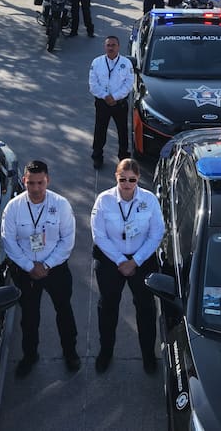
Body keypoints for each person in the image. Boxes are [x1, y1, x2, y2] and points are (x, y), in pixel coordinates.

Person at [1, 160, 80, 377]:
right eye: (31, 183)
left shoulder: (61, 205)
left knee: (64, 311)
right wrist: (29, 267)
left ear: (48, 181)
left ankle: (70, 353)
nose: (36, 189)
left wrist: (45, 265)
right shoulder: (13, 208)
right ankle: (29, 356)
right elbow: (9, 242)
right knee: (29, 316)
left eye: (40, 183)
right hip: (25, 271)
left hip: (55, 269)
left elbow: (67, 241)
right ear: (24, 181)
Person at [90, 159, 165, 374]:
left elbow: (156, 233)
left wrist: (135, 261)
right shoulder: (104, 200)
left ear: (138, 179)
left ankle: (148, 356)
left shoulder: (149, 200)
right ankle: (105, 353)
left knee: (146, 309)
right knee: (108, 307)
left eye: (132, 179)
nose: (127, 184)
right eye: (123, 179)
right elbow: (99, 235)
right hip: (111, 260)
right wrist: (120, 261)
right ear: (116, 176)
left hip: (141, 260)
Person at [88, 35, 133, 169]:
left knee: (122, 131)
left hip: (120, 104)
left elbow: (129, 84)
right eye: (108, 45)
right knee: (100, 131)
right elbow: (93, 84)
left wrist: (115, 97)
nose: (110, 48)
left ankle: (123, 157)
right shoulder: (97, 62)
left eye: (113, 45)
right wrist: (105, 96)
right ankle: (97, 156)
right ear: (105, 47)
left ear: (118, 47)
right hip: (102, 103)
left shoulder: (126, 63)